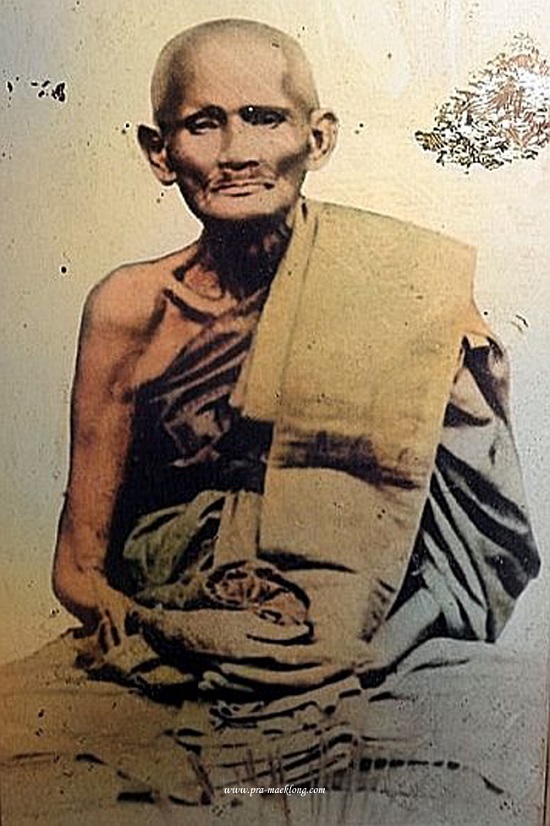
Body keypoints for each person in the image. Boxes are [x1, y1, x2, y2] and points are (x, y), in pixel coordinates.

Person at [1, 18, 541, 825]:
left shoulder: (404, 290)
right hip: (170, 640)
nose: (236, 152)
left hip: (371, 644)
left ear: (317, 139)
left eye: (263, 118)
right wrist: (172, 632)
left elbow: (477, 546)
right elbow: (78, 571)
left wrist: (356, 656)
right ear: (159, 152)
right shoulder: (129, 311)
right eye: (202, 123)